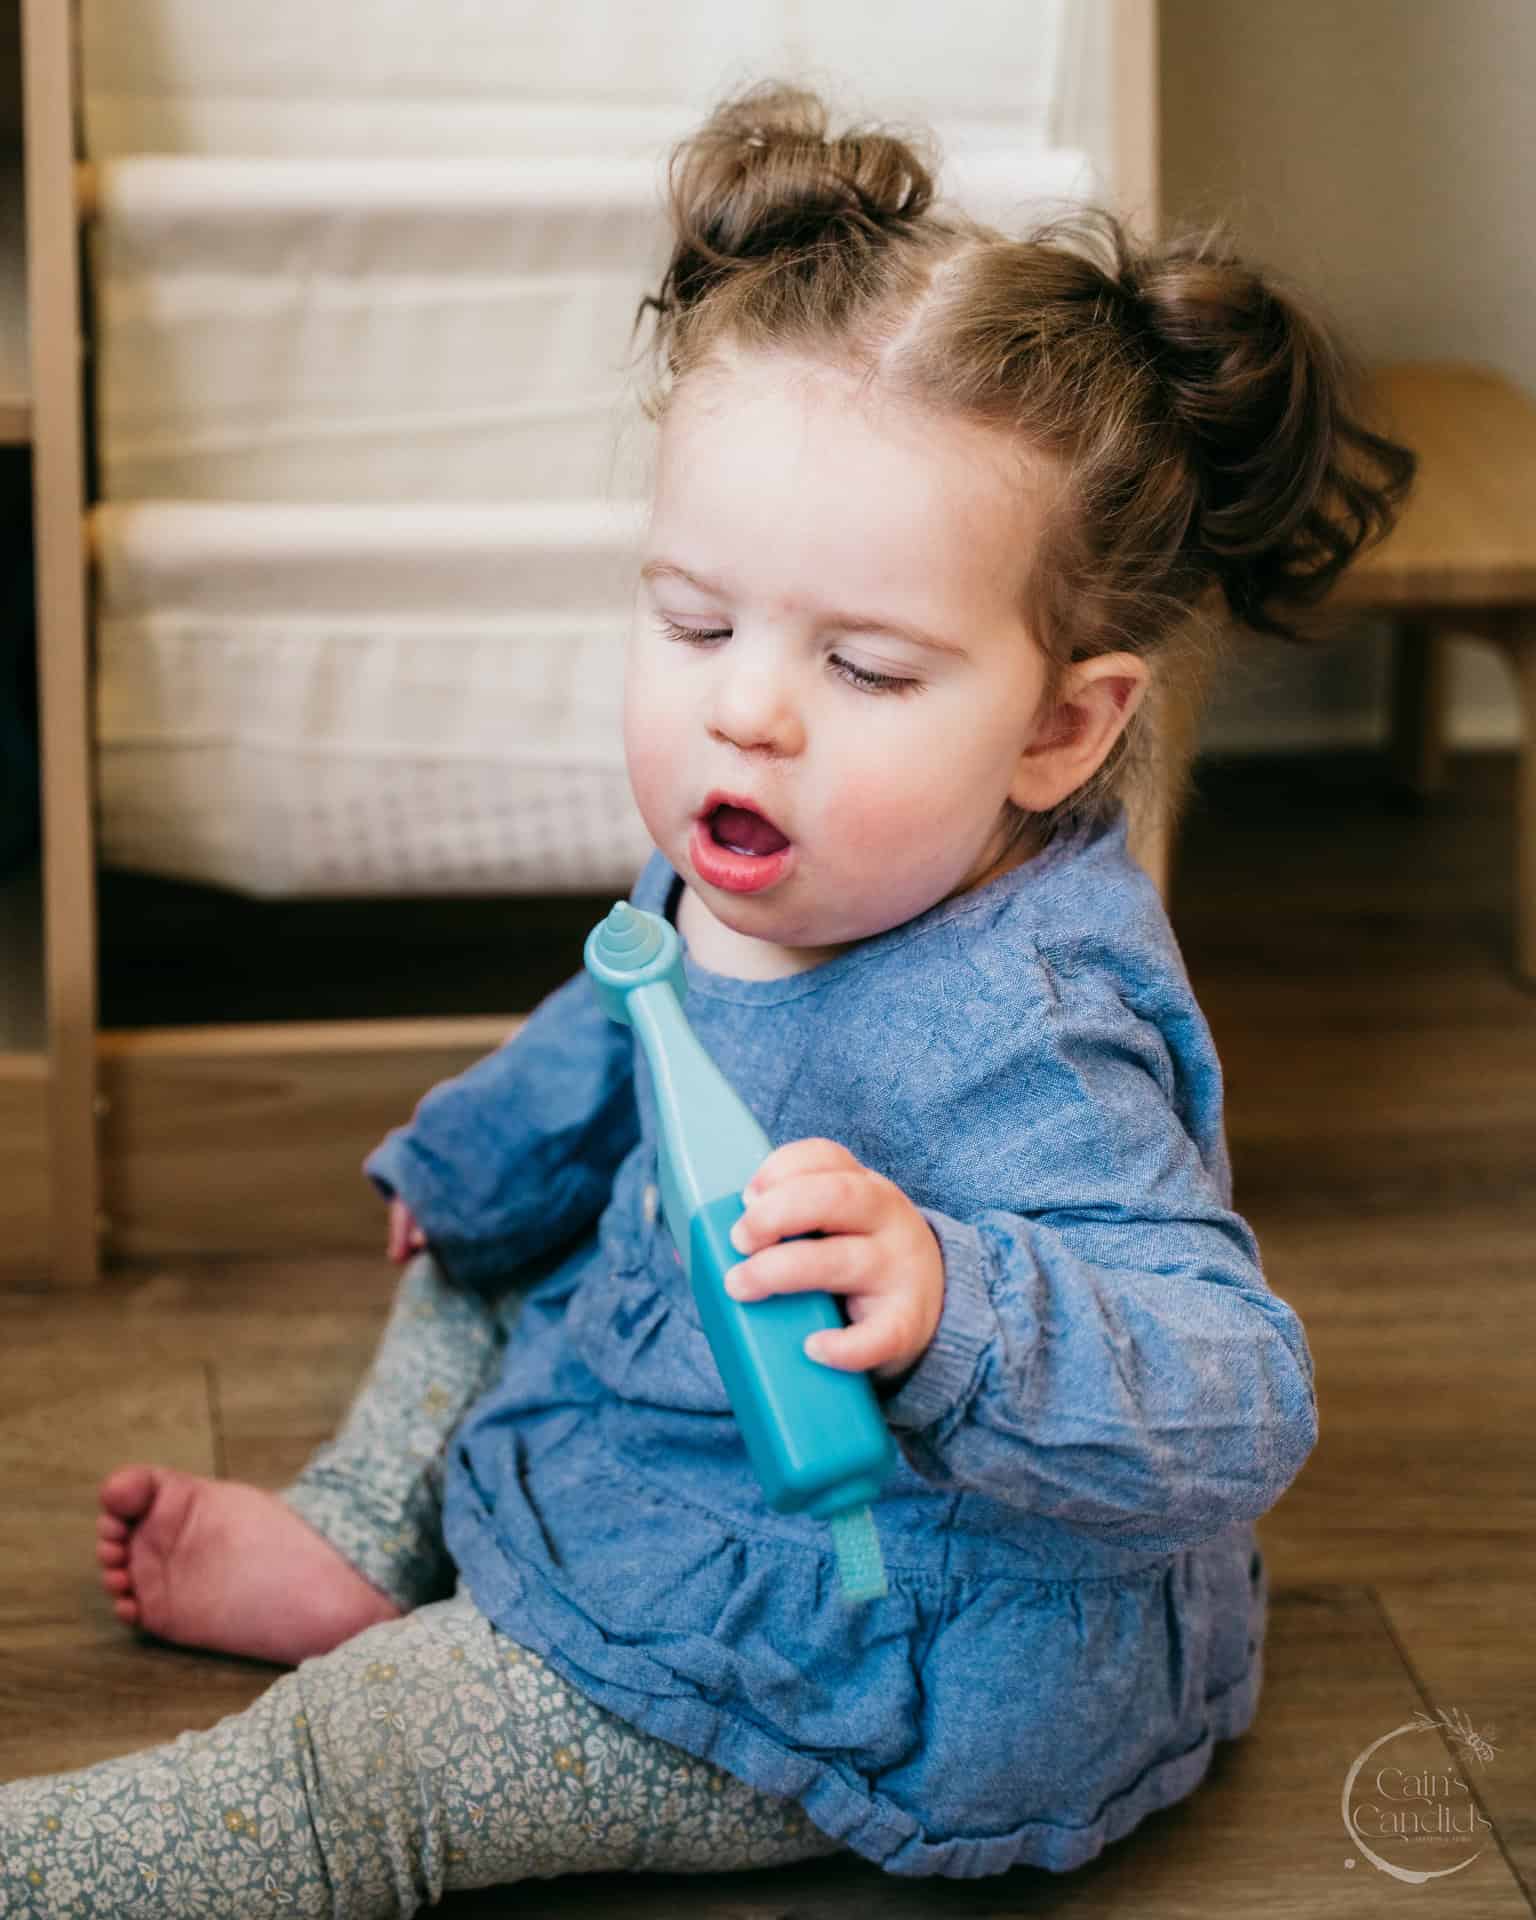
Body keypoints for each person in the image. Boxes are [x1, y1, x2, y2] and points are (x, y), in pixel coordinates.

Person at [2, 78, 1414, 1915]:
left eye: (865, 663)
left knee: (372, 1768)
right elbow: (627, 1003)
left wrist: (955, 1302)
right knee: (482, 1261)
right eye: (694, 623)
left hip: (870, 1624)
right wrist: (474, 1164)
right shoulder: (779, 840)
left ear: (1066, 728)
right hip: (676, 1392)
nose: (748, 708)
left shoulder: (1035, 1035)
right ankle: (362, 1529)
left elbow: (1246, 1402)